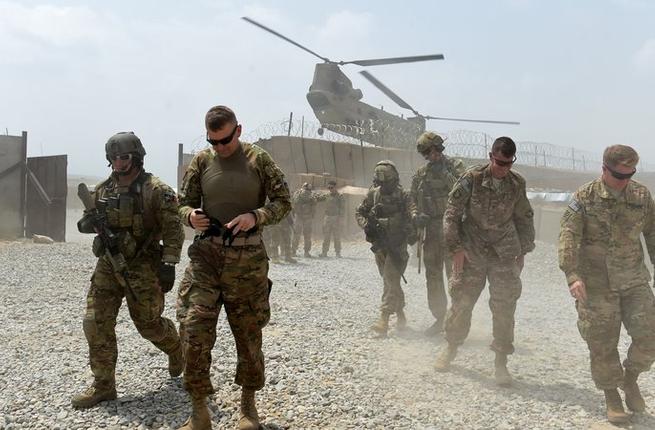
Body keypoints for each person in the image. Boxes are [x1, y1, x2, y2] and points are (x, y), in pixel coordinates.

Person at [176, 105, 291, 430]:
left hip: (247, 260)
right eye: (213, 142)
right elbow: (183, 202)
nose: (220, 148)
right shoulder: (201, 161)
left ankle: (248, 409)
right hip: (207, 258)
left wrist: (256, 216)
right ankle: (199, 412)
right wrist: (189, 216)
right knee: (193, 330)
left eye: (225, 140)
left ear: (238, 131)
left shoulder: (259, 160)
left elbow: (283, 202)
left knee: (248, 334)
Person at [72, 132, 185, 408]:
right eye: (113, 158)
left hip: (144, 266)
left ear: (136, 157)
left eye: (124, 157)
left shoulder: (156, 190)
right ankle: (103, 385)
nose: (118, 162)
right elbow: (86, 222)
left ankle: (176, 348)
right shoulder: (103, 190)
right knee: (95, 321)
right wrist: (89, 224)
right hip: (109, 265)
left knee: (149, 325)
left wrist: (169, 263)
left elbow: (173, 228)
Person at [558, 145, 655, 424]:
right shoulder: (584, 197)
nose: (625, 181)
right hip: (596, 284)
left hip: (634, 280)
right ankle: (612, 396)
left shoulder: (641, 195)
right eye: (618, 175)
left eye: (630, 174)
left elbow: (653, 234)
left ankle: (631, 378)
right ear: (604, 169)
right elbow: (568, 236)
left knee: (650, 336)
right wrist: (572, 275)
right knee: (602, 343)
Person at [434, 137, 535, 387]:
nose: (503, 168)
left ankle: (501, 363)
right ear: (491, 156)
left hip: (504, 253)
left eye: (508, 163)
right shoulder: (472, 178)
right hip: (473, 250)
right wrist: (455, 248)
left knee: (504, 308)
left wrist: (523, 249)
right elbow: (451, 214)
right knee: (462, 302)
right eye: (500, 162)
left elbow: (525, 217)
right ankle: (451, 347)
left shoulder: (516, 183)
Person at [410, 131, 465, 336]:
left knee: (456, 275)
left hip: (452, 229)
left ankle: (458, 318)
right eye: (428, 152)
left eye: (436, 150)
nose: (433, 155)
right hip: (431, 230)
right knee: (433, 276)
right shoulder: (421, 174)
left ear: (441, 149)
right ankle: (440, 317)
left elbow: (462, 190)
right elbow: (412, 198)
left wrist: (443, 172)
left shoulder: (455, 166)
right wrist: (416, 215)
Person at [356, 160, 417, 337]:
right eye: (380, 183)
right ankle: (400, 314)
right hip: (380, 245)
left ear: (394, 179)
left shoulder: (404, 196)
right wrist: (366, 225)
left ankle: (383, 318)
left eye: (387, 183)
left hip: (397, 245)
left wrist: (414, 219)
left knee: (390, 278)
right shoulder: (373, 194)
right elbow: (359, 212)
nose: (384, 186)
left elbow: (412, 210)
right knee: (390, 280)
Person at [291, 183, 320, 257]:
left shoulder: (297, 193)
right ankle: (306, 252)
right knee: (307, 235)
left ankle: (293, 251)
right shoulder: (311, 194)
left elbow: (293, 202)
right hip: (308, 216)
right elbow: (315, 203)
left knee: (296, 234)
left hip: (298, 216)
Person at [319, 180, 345, 258]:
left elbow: (342, 208)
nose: (330, 189)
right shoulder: (327, 195)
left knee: (336, 236)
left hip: (336, 218)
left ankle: (338, 252)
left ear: (335, 187)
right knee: (326, 236)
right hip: (327, 218)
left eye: (331, 187)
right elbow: (318, 198)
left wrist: (341, 218)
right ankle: (324, 252)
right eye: (329, 187)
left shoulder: (340, 196)